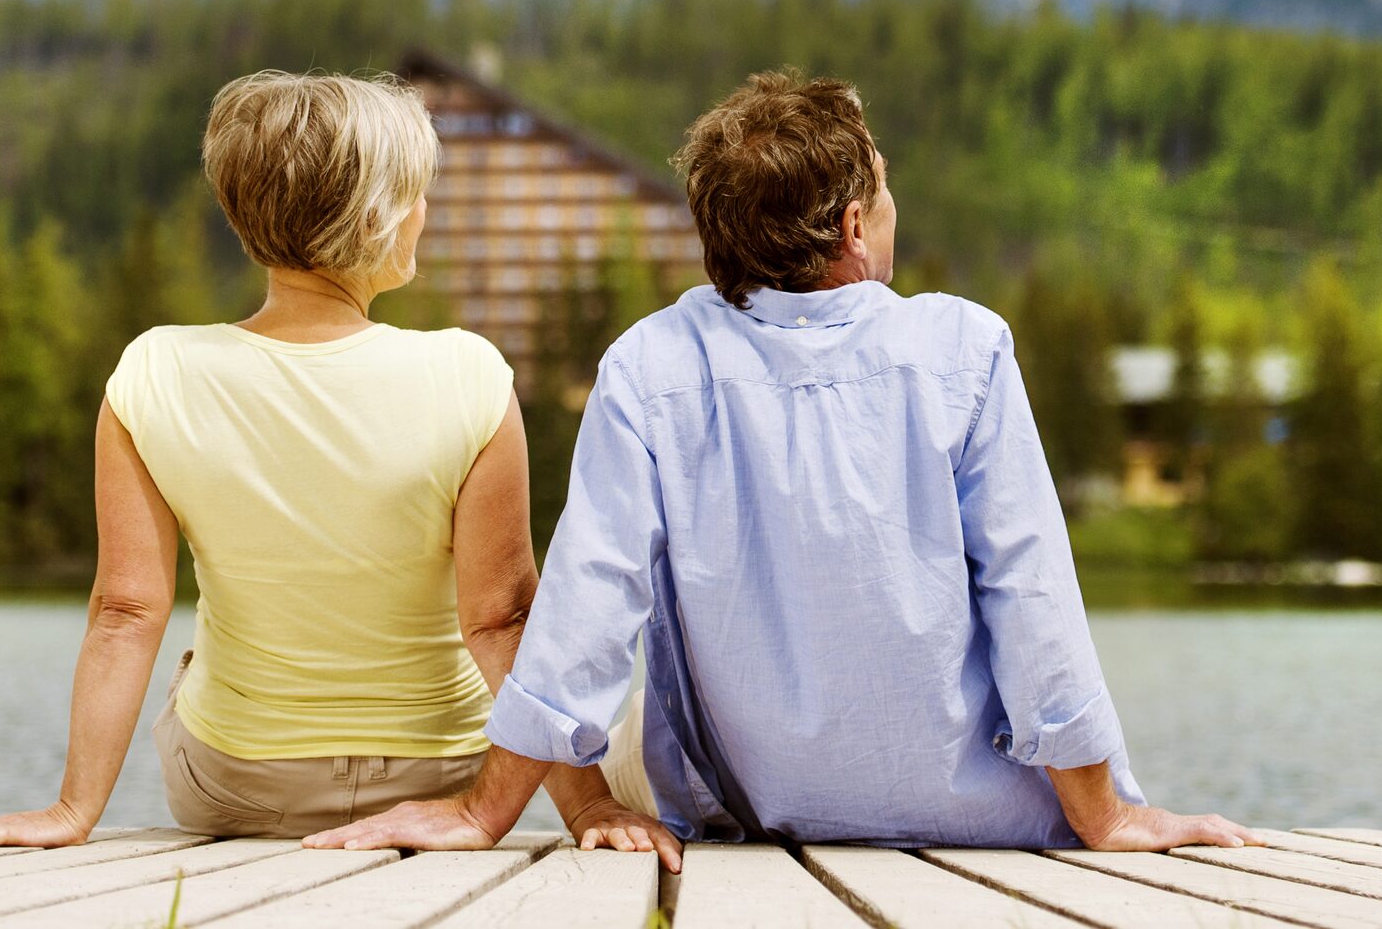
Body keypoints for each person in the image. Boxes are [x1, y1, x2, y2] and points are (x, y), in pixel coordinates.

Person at [317, 71, 1256, 868]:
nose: (890, 208)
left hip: (758, 813)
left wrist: (485, 812)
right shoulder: (964, 347)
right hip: (979, 817)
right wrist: (1104, 813)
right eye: (883, 193)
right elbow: (1030, 592)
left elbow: (588, 607)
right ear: (854, 227)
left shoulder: (651, 365)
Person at [0, 70, 648, 852]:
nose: (425, 212)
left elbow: (127, 613)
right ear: (380, 218)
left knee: (193, 664)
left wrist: (71, 810)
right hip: (438, 780)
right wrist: (587, 810)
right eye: (415, 192)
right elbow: (503, 620)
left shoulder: (155, 371)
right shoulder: (469, 375)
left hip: (236, 788)